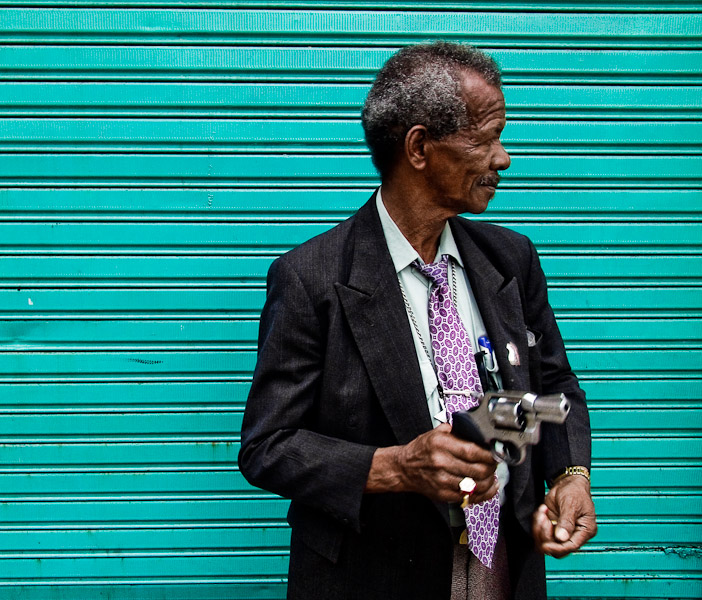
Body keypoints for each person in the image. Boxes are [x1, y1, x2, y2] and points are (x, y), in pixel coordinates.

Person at [238, 41, 596, 600]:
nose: (502, 158)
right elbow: (268, 447)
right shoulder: (311, 278)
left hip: (503, 562)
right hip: (372, 575)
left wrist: (571, 475)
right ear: (420, 147)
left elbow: (552, 386)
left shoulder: (511, 259)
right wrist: (397, 466)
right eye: (484, 139)